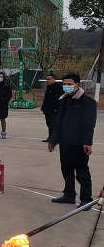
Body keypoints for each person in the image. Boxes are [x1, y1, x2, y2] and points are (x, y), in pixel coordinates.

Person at [48, 72, 97, 210]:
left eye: (69, 84)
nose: (66, 86)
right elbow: (59, 122)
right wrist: (53, 140)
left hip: (79, 144)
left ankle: (86, 199)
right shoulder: (64, 100)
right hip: (65, 142)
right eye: (64, 84)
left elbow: (89, 124)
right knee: (66, 169)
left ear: (78, 85)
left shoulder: (88, 102)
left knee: (82, 172)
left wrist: (87, 142)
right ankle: (69, 195)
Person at [41, 73, 62, 142]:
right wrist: (43, 107)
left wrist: (56, 108)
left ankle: (56, 138)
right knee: (49, 124)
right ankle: (50, 137)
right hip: (47, 109)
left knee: (53, 124)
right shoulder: (48, 87)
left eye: (49, 79)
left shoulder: (58, 87)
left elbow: (60, 99)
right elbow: (46, 99)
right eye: (47, 79)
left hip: (54, 110)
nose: (47, 81)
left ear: (54, 79)